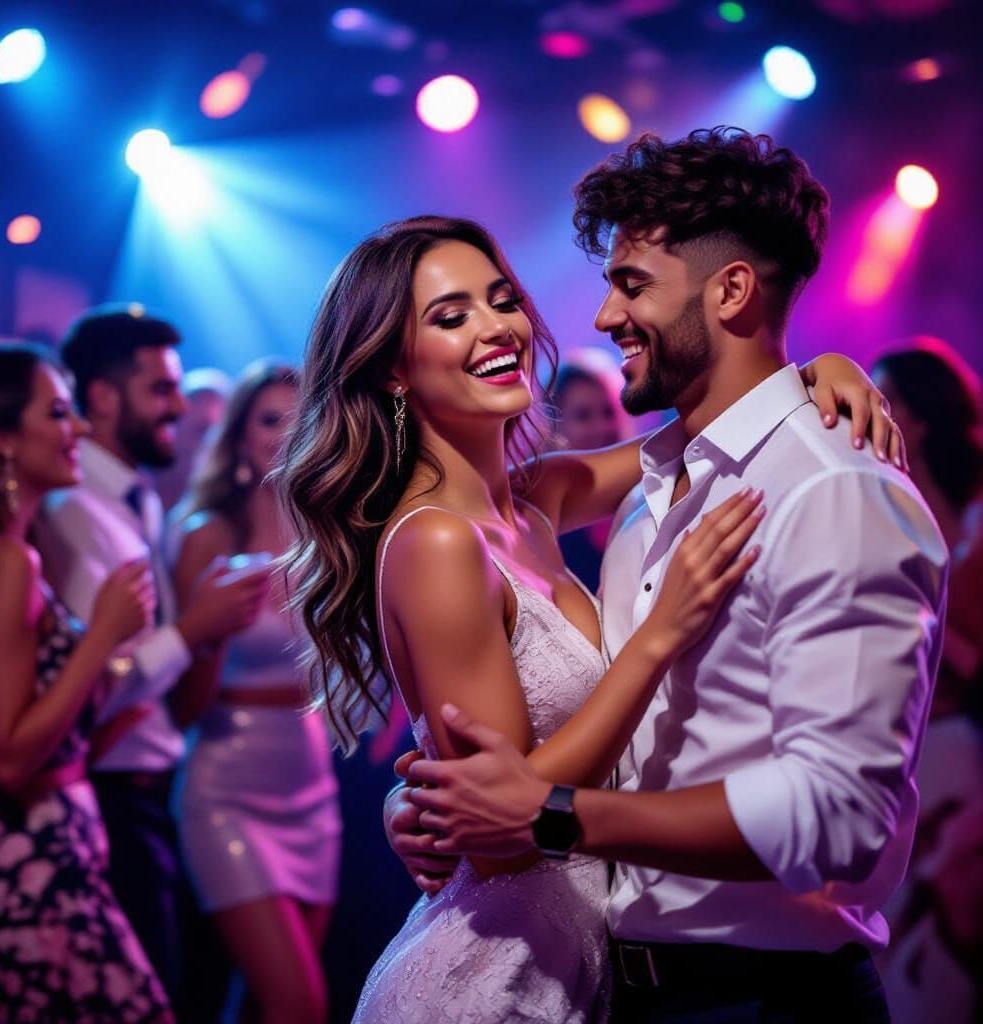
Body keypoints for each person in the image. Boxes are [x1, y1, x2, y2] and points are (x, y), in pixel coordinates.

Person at [276, 203, 899, 1021]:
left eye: (502, 300)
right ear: (394, 369)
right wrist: (659, 636)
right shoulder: (434, 543)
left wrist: (812, 374)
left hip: (583, 961)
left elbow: (703, 434)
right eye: (451, 316)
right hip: (494, 975)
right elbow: (503, 836)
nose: (497, 329)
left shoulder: (531, 503)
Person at [32, 306, 270, 1005]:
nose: (179, 408)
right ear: (103, 396)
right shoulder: (71, 514)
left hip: (150, 791)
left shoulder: (131, 501)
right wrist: (194, 630)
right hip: (110, 796)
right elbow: (80, 679)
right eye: (161, 390)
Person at [0, 343, 173, 1022]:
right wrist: (103, 638)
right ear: (1, 438)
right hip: (30, 866)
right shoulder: (2, 561)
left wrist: (104, 704)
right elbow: (5, 757)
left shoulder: (2, 553)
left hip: (49, 852)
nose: (79, 427)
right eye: (58, 411)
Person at [170, 360, 341, 1023]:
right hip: (227, 787)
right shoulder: (208, 534)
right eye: (269, 419)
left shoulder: (327, 530)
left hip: (310, 778)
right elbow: (181, 704)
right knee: (298, 1003)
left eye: (299, 417)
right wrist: (212, 632)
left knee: (264, 1008)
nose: (286, 433)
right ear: (240, 436)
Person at [870, 337, 983, 1023]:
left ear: (913, 415)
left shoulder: (979, 523)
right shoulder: (894, 501)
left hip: (960, 749)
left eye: (883, 396)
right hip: (908, 742)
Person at [550, 360, 631, 589]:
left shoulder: (650, 493)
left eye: (608, 412)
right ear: (556, 425)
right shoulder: (545, 512)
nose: (600, 427)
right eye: (583, 415)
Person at [154, 366, 233, 512]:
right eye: (202, 429)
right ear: (174, 424)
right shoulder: (137, 487)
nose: (209, 443)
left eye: (217, 434)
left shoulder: (223, 508)